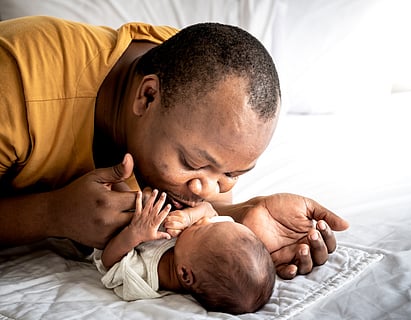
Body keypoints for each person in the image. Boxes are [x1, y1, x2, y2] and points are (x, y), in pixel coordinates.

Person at [0, 16, 349, 280]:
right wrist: (51, 214)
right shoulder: (15, 83)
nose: (206, 189)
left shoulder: (192, 85)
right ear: (147, 96)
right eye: (192, 162)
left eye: (231, 174)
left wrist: (240, 215)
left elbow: (204, 204)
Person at [92, 189, 276, 314]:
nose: (204, 222)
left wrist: (135, 234)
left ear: (185, 274)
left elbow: (108, 261)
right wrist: (189, 217)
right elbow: (209, 210)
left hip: (105, 220)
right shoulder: (210, 241)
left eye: (201, 229)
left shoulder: (146, 276)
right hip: (146, 194)